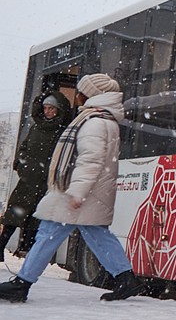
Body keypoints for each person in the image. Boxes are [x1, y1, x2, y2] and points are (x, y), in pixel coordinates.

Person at [0, 73, 145, 303]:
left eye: (80, 91)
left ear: (89, 95)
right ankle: (126, 279)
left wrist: (77, 191)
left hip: (79, 191)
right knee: (96, 234)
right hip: (90, 191)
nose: (77, 95)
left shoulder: (95, 122)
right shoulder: (101, 119)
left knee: (48, 232)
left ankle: (23, 283)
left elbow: (90, 160)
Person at [0, 90, 71, 260]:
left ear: (58, 110)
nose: (48, 111)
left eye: (51, 108)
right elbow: (23, 148)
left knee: (35, 220)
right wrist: (21, 165)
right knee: (13, 217)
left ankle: (30, 255)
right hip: (27, 180)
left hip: (44, 183)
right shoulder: (36, 127)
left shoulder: (61, 131)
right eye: (46, 108)